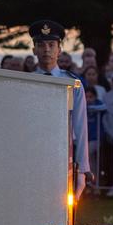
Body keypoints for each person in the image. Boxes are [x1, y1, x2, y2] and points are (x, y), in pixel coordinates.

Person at [29, 20, 91, 195]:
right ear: (34, 50)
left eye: (51, 44)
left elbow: (80, 128)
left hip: (63, 156)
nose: (46, 50)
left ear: (59, 50)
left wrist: (82, 170)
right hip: (33, 155)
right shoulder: (26, 83)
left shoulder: (73, 83)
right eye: (41, 45)